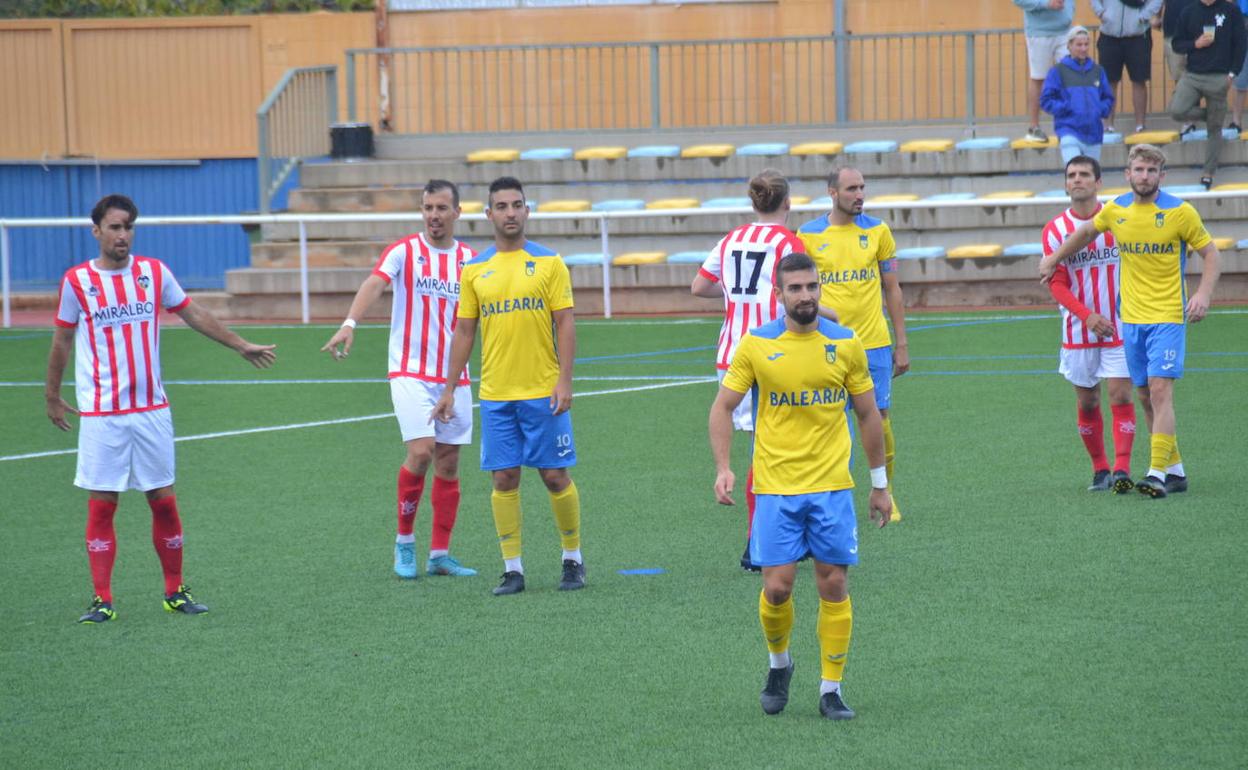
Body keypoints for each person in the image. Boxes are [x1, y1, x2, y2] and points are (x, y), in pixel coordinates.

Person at [45, 194, 277, 624]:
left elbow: (193, 313)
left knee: (164, 502)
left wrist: (240, 345)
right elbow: (62, 340)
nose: (123, 235)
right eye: (115, 227)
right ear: (96, 231)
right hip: (103, 412)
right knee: (103, 504)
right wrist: (52, 395)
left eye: (129, 227)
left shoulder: (153, 273)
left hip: (151, 409)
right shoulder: (77, 282)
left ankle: (175, 591)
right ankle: (102, 599)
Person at [709, 252, 891, 721]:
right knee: (777, 589)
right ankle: (779, 664)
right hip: (775, 486)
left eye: (811, 286)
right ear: (779, 294)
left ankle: (831, 689)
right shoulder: (757, 344)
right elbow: (723, 406)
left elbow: (868, 414)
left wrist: (879, 484)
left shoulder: (845, 343)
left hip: (831, 486)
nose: (805, 295)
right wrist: (724, 466)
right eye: (795, 288)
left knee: (834, 583)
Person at [1039, 144, 1222, 498]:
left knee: (1158, 390)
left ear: (1161, 176)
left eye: (1151, 171)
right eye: (1139, 170)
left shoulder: (1180, 212)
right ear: (1128, 174)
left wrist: (1203, 294)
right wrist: (1053, 259)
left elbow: (1211, 253)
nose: (1144, 176)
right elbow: (1086, 233)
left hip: (1167, 315)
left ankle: (1154, 473)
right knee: (1144, 396)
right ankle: (1175, 470)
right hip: (1130, 319)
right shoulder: (1116, 211)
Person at [432, 176, 584, 595]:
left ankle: (573, 558)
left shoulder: (550, 263)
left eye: (517, 205)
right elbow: (465, 331)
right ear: (489, 214)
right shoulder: (475, 269)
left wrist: (564, 380)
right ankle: (512, 569)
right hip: (497, 395)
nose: (510, 213)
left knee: (554, 476)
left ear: (527, 211)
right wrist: (448, 389)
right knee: (503, 479)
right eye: (501, 206)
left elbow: (565, 322)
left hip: (542, 391)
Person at [321, 179, 478, 580]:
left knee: (449, 462)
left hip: (454, 377)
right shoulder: (404, 251)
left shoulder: (471, 261)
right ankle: (404, 542)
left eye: (441, 208)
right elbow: (375, 282)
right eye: (427, 208)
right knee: (422, 452)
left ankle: (439, 554)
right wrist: (350, 322)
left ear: (457, 213)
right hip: (409, 370)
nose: (433, 216)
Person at [691, 169, 806, 572]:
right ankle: (760, 541)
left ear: (754, 202)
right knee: (777, 448)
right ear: (787, 202)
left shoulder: (732, 239)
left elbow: (699, 286)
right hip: (772, 353)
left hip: (731, 354)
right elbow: (798, 296)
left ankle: (768, 537)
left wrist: (735, 295)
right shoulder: (789, 242)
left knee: (766, 447)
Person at [798, 168, 909, 522]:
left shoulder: (878, 230)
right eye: (851, 188)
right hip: (827, 344)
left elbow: (892, 288)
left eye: (862, 187)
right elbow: (800, 290)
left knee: (880, 417)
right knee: (827, 421)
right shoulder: (808, 235)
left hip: (873, 342)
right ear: (832, 192)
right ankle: (829, 496)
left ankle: (886, 491)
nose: (859, 194)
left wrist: (901, 342)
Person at [1042, 156, 1146, 493]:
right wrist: (1087, 315)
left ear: (1098, 182)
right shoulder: (1054, 230)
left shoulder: (1118, 219)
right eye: (1071, 175)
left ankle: (1122, 468)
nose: (1077, 179)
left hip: (1120, 325)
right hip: (1079, 329)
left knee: (1120, 394)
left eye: (1084, 174)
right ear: (1065, 184)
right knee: (1088, 402)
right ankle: (1100, 469)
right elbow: (1057, 284)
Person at [1170, 0, 1247, 188]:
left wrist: (1232, 73)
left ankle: (1208, 173)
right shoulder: (1189, 11)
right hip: (1193, 75)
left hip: (1219, 76)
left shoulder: (1231, 10)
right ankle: (1213, 115)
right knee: (1177, 110)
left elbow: (1241, 43)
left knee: (1214, 129)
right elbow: (1176, 44)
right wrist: (1195, 44)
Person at [1042, 26, 1117, 162]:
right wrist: (1066, 107)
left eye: (1086, 44)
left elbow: (1108, 98)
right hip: (1068, 130)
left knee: (1090, 173)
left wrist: (1099, 109)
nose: (1083, 48)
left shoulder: (1098, 71)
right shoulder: (1058, 71)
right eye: (1079, 45)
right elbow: (1046, 100)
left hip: (1094, 133)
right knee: (1074, 170)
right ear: (1069, 46)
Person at [1093, 0, 1164, 133]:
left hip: (1138, 35)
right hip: (1109, 35)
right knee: (1109, 82)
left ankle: (1140, 126)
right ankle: (1108, 126)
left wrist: (1144, 16)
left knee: (1139, 80)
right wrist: (1101, 13)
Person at [1015, 0, 1075, 142]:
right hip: (1039, 32)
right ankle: (1034, 128)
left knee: (1071, 77)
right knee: (1038, 79)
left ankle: (1069, 125)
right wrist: (1046, 3)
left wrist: (1070, 11)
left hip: (1065, 31)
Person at [1160, 0, 1199, 82]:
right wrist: (1155, 15)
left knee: (1204, 76)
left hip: (1200, 31)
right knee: (1178, 77)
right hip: (1173, 31)